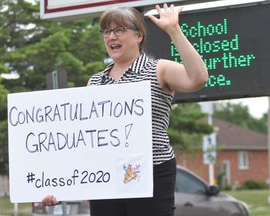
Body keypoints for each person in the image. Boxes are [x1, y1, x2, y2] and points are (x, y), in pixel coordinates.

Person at [42, 3, 208, 216]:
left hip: (152, 171)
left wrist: (173, 30)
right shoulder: (95, 82)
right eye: (106, 31)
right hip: (106, 175)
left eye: (119, 30)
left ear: (139, 36)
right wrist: (59, 185)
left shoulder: (159, 69)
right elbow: (82, 140)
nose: (111, 36)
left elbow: (198, 79)